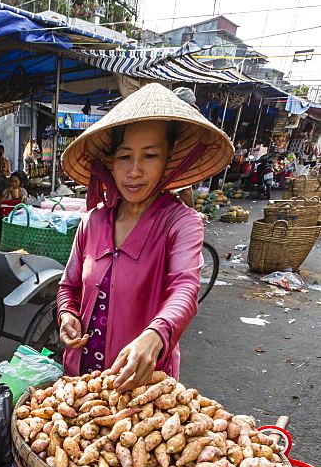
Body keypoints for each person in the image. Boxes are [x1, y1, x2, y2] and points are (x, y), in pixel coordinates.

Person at [57, 83, 233, 390]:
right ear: (110, 164)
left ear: (168, 162)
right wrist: (67, 314)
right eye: (125, 157)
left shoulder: (181, 222)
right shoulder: (92, 222)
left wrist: (156, 334)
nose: (135, 171)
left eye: (149, 155)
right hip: (81, 380)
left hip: (143, 385)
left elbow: (185, 288)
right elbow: (69, 286)